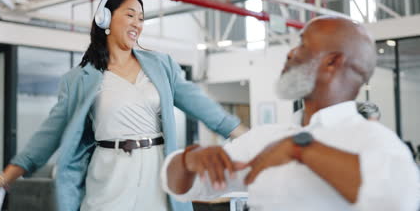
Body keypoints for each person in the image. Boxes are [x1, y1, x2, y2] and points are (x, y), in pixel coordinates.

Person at [0, 0, 245, 211]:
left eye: (141, 18)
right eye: (130, 15)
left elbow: (200, 104)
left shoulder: (161, 65)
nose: (137, 24)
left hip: (157, 174)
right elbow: (48, 136)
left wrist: (244, 134)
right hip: (110, 176)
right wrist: (7, 176)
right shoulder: (79, 80)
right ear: (105, 19)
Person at [162, 16, 420, 211]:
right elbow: (180, 186)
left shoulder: (376, 142)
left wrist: (301, 149)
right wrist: (190, 159)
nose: (290, 52)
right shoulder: (264, 138)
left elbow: (396, 200)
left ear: (332, 62)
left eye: (303, 45)